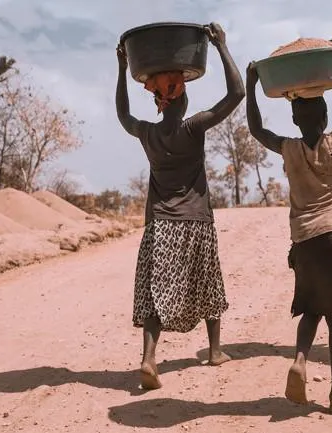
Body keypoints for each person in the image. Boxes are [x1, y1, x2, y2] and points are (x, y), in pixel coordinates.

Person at [246, 37, 332, 414]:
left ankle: (300, 360)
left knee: (310, 308)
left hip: (303, 239)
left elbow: (256, 129)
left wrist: (254, 84)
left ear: (294, 119)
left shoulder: (287, 147)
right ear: (324, 117)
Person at [115, 22, 245, 390]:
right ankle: (215, 350)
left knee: (158, 291)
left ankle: (148, 358)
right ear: (181, 100)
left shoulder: (148, 133)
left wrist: (122, 69)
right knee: (208, 285)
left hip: (160, 224)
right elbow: (237, 94)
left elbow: (123, 114)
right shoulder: (193, 128)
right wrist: (221, 46)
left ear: (158, 102)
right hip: (196, 221)